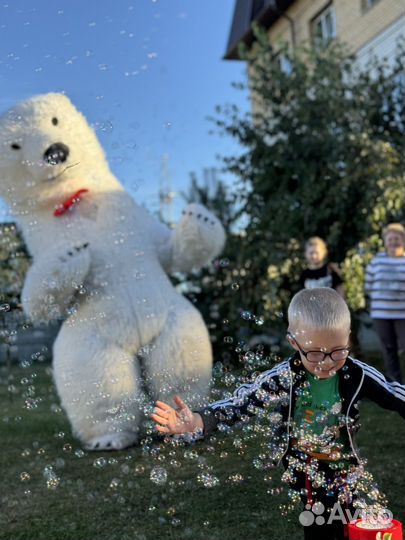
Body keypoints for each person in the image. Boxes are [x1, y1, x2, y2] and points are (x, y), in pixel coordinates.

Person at [151, 288, 405, 540]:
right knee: (322, 526)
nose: (327, 362)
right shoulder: (283, 377)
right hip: (306, 469)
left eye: (337, 351)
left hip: (345, 467)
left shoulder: (357, 374)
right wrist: (197, 420)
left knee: (354, 523)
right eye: (315, 353)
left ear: (348, 338)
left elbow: (395, 395)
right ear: (294, 342)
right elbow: (242, 402)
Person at [365, 223, 405, 384]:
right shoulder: (376, 261)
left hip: (402, 313)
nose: (394, 242)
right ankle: (396, 386)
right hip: (381, 314)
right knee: (389, 350)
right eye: (390, 238)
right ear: (385, 241)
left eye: (397, 238)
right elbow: (368, 285)